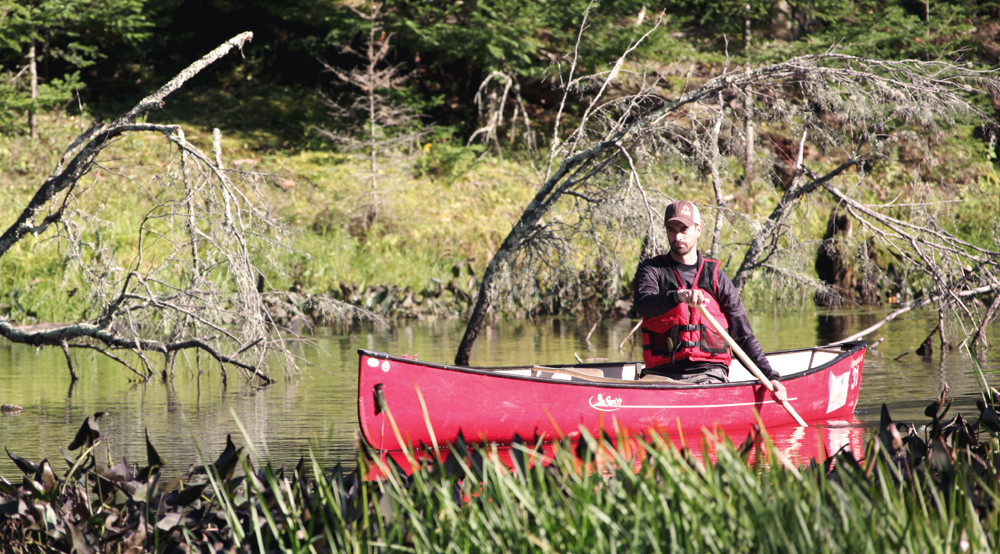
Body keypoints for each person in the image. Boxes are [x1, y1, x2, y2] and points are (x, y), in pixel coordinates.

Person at [633, 200, 787, 400]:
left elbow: (742, 336)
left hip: (709, 373)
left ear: (698, 230)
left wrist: (770, 376)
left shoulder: (715, 278)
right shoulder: (652, 270)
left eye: (683, 229)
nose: (677, 236)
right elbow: (644, 304)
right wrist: (677, 296)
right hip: (663, 374)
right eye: (671, 230)